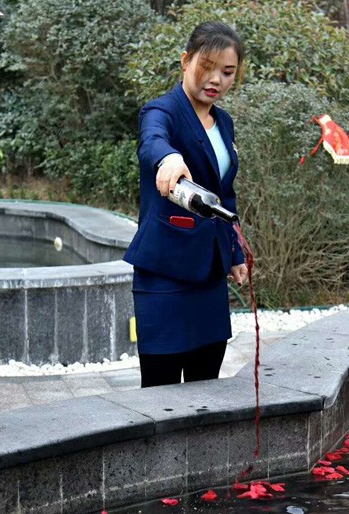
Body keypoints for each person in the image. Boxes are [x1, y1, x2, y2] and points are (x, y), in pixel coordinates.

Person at [123, 21, 247, 388]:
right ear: (185, 61)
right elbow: (152, 141)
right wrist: (168, 159)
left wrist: (235, 251)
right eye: (206, 67)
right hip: (165, 274)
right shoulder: (161, 111)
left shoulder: (223, 122)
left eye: (227, 72)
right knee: (160, 394)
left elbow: (225, 193)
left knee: (206, 386)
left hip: (210, 274)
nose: (216, 80)